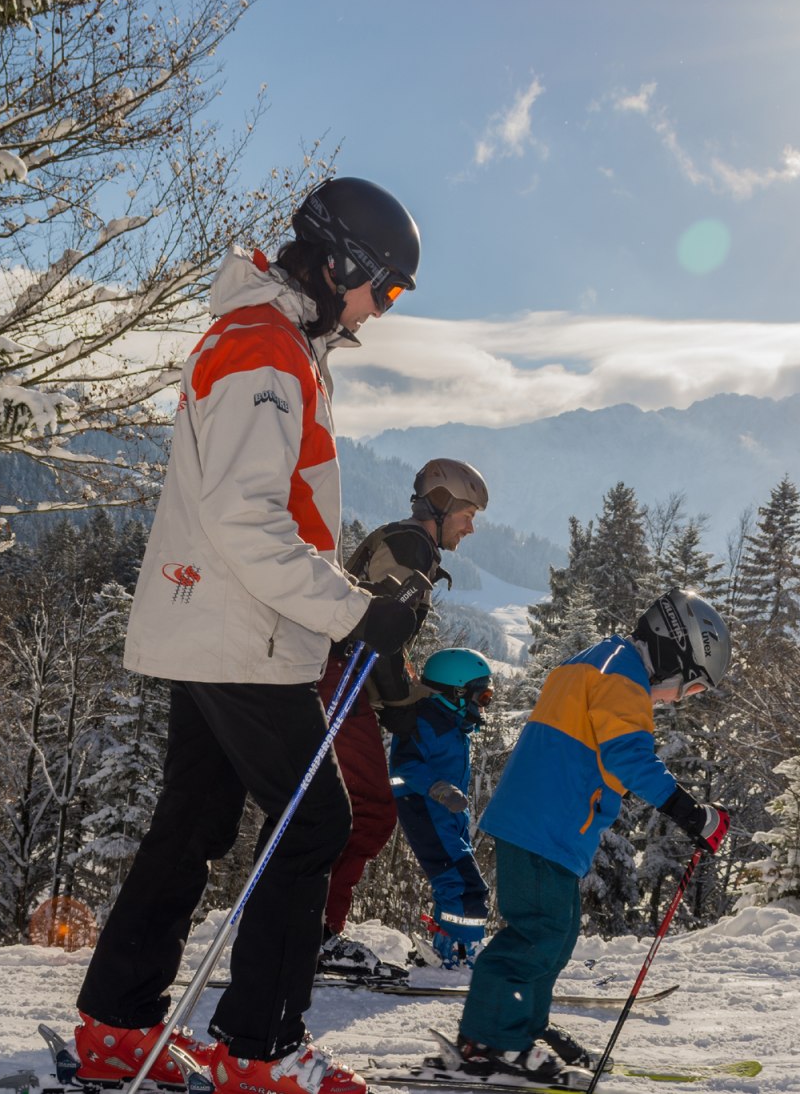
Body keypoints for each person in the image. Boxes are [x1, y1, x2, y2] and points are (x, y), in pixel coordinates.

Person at [72, 177, 423, 1094]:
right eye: (383, 289)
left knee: (191, 822)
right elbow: (248, 519)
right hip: (240, 632)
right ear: (340, 261)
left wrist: (352, 599)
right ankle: (258, 1053)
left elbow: (272, 519)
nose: (379, 311)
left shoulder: (274, 344)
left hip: (221, 624)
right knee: (314, 827)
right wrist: (356, 614)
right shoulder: (265, 351)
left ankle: (117, 1025)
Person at [439, 589, 734, 1088]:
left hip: (544, 826)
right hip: (542, 827)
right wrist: (693, 814)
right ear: (672, 653)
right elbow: (629, 758)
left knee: (555, 936)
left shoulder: (602, 660)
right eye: (689, 686)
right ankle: (488, 1044)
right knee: (537, 935)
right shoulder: (623, 678)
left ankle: (521, 1028)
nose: (679, 698)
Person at [317, 458, 490, 981]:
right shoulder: (414, 546)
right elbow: (379, 631)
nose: (472, 525)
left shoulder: (411, 544)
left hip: (335, 676)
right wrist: (401, 706)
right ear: (440, 504)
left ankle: (307, 926)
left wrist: (402, 696)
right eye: (467, 513)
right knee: (369, 808)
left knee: (340, 809)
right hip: (339, 678)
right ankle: (315, 934)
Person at [388, 646, 496, 970]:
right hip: (428, 811)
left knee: (457, 882)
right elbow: (404, 765)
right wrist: (438, 789)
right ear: (456, 692)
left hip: (448, 816)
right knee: (464, 885)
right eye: (482, 697)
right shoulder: (425, 722)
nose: (483, 705)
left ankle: (447, 945)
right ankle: (459, 954)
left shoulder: (452, 724)